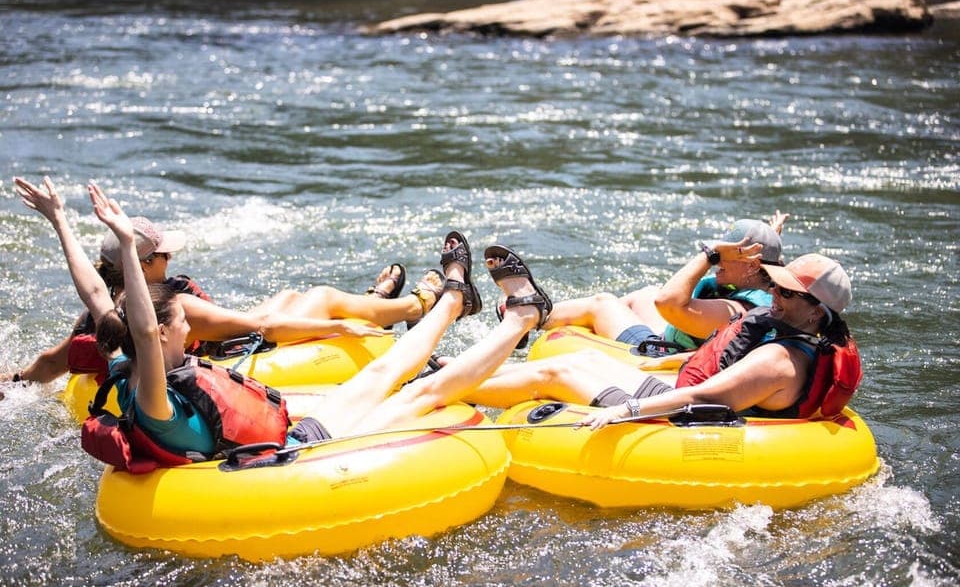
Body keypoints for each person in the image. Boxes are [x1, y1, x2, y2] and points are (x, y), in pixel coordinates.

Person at [83, 181, 553, 462]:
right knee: (423, 391)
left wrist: (60, 220)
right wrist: (126, 243)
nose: (189, 327)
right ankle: (521, 318)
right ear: (160, 333)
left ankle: (453, 300)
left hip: (297, 433)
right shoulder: (153, 396)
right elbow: (144, 328)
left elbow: (96, 293)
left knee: (384, 370)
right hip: (301, 451)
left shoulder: (127, 364)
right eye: (181, 321)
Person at [2, 176, 439, 385]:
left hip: (219, 331)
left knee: (289, 293)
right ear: (147, 265)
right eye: (165, 254)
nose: (171, 259)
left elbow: (49, 361)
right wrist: (336, 328)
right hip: (244, 349)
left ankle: (373, 299)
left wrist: (14, 380)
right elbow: (263, 329)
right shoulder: (173, 306)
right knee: (321, 297)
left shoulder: (103, 319)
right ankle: (417, 305)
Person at [465, 252, 860, 423]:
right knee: (584, 362)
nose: (774, 294)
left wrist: (625, 411)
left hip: (680, 421)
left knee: (555, 373)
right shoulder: (808, 338)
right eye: (775, 286)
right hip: (693, 403)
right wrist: (670, 362)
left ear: (815, 311)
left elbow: (705, 398)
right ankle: (451, 374)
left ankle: (453, 390)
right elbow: (726, 370)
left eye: (786, 292)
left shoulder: (781, 360)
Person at [534, 216, 787, 355]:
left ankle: (533, 315)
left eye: (727, 254)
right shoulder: (762, 282)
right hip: (674, 338)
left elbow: (667, 303)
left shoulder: (735, 311)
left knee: (603, 303)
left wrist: (709, 254)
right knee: (646, 293)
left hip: (663, 356)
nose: (718, 261)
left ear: (753, 265)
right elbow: (769, 266)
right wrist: (769, 235)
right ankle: (587, 330)